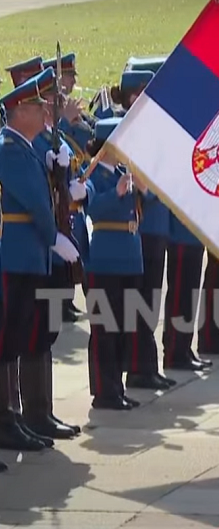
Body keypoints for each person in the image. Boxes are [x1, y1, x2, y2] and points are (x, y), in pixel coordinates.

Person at [0, 70, 80, 457]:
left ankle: (29, 415)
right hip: (15, 256)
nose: (45, 111)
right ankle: (10, 419)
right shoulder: (8, 149)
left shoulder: (27, 149)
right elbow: (33, 202)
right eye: (37, 105)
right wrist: (54, 239)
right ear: (19, 112)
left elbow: (46, 195)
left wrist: (58, 172)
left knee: (25, 337)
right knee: (8, 342)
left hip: (29, 257)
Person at [85, 117, 150, 410]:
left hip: (129, 259)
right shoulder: (95, 174)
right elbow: (93, 209)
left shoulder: (127, 172)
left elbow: (144, 210)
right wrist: (118, 192)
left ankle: (117, 387)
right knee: (105, 329)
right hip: (107, 259)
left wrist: (143, 190)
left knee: (124, 329)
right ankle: (104, 390)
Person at [127, 164, 176, 390]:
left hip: (158, 232)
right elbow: (141, 188)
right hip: (145, 233)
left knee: (151, 304)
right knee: (143, 305)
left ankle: (148, 367)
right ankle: (138, 369)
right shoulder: (139, 156)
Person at [163, 215, 212, 371]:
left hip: (194, 234)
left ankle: (184, 348)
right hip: (180, 235)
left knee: (189, 298)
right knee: (180, 299)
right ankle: (174, 353)